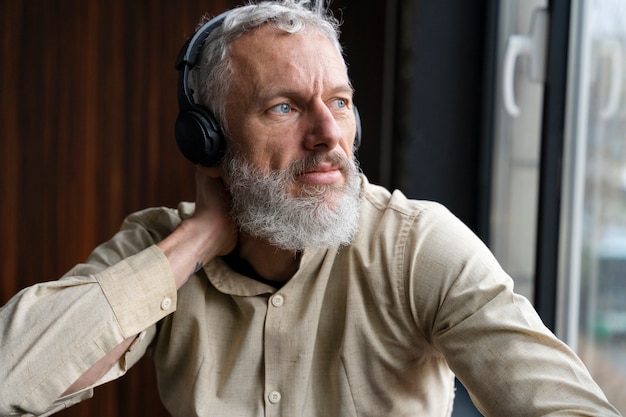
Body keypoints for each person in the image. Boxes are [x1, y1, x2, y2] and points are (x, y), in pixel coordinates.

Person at [0, 1, 621, 416]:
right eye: (285, 107)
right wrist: (198, 239)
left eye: (341, 102)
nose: (330, 134)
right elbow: (12, 378)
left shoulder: (417, 247)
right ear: (207, 140)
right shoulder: (162, 247)